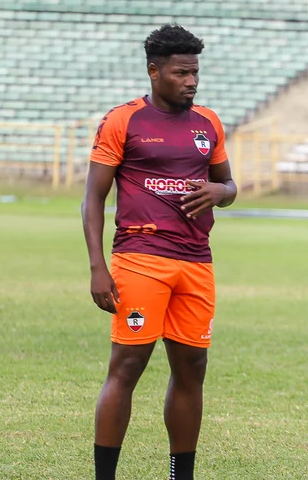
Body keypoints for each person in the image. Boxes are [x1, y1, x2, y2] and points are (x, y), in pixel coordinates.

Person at [82, 24, 237, 480]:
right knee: (127, 365)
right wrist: (97, 267)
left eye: (195, 73)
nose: (191, 81)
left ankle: (180, 475)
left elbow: (230, 187)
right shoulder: (123, 120)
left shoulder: (208, 123)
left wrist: (218, 190)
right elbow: (93, 198)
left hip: (196, 262)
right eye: (181, 72)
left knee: (192, 368)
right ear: (154, 71)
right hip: (139, 259)